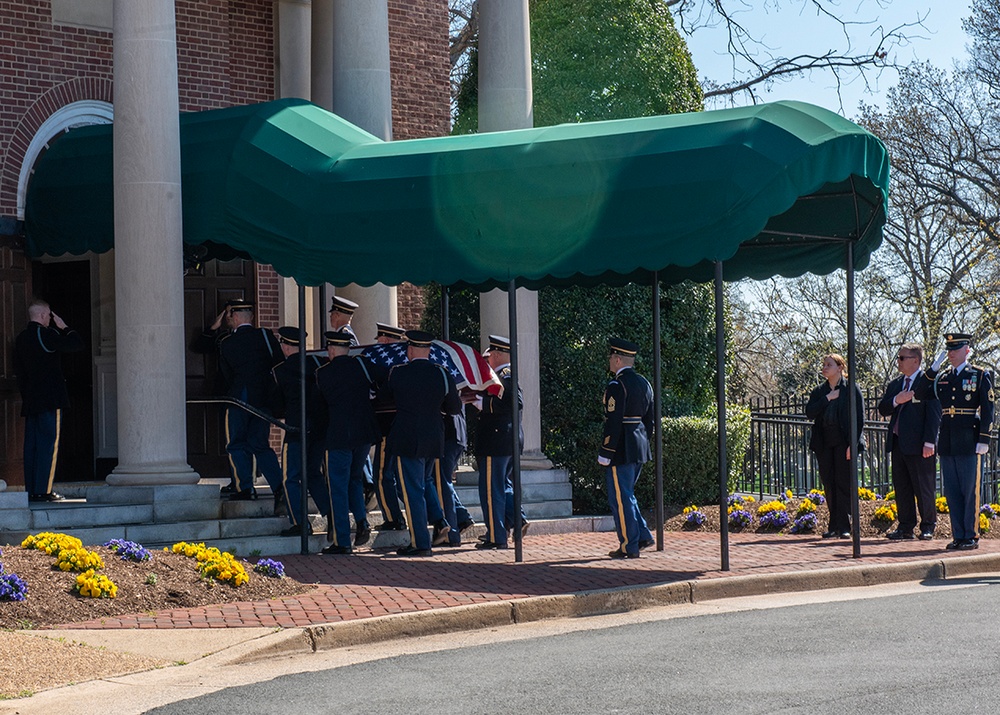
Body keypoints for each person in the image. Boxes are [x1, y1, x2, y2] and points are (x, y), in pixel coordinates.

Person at [386, 330, 460, 556]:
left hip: (407, 438)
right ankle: (436, 523)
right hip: (433, 438)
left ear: (409, 350)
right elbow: (454, 408)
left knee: (412, 491)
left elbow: (384, 400)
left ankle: (420, 543)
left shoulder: (398, 373)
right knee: (423, 483)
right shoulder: (442, 373)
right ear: (429, 351)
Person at [925, 332, 995, 550]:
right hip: (947, 440)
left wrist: (984, 438)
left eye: (955, 349)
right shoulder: (943, 376)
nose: (951, 354)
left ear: (966, 350)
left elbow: (988, 408)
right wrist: (933, 369)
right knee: (952, 491)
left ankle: (970, 536)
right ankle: (958, 535)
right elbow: (921, 392)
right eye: (949, 350)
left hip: (968, 440)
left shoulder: (979, 375)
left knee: (969, 490)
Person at [315, 330, 380, 555]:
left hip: (339, 435)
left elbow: (320, 405)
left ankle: (342, 540)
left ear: (331, 350)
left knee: (338, 487)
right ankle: (361, 521)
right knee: (354, 480)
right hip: (363, 433)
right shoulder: (361, 366)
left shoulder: (323, 373)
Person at [14, 299, 83, 502]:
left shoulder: (21, 338)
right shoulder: (47, 334)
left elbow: (20, 372)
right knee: (47, 445)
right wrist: (65, 327)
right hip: (50, 399)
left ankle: (31, 490)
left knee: (32, 447)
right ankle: (43, 490)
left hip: (31, 399)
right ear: (44, 316)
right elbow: (76, 344)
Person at [216, 299, 285, 502]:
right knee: (259, 443)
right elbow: (278, 363)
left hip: (238, 398)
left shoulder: (227, 342)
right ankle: (280, 487)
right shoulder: (265, 335)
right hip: (263, 399)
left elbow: (225, 373)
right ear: (251, 317)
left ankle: (245, 488)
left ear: (235, 317)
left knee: (236, 444)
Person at [271, 326, 332, 538]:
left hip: (296, 429)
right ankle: (332, 516)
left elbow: (277, 403)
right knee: (314, 473)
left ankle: (299, 522)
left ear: (286, 347)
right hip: (319, 428)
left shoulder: (280, 370)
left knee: (290, 478)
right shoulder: (316, 364)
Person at [877, 343, 941, 541]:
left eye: (902, 358)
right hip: (898, 443)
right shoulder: (896, 384)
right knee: (902, 487)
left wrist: (930, 441)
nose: (899, 361)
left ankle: (928, 525)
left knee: (923, 487)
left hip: (920, 445)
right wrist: (897, 399)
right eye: (898, 357)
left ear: (915, 360)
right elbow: (883, 408)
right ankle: (905, 527)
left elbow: (934, 414)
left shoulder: (928, 382)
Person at [598, 338, 655, 559]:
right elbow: (650, 420)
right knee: (627, 494)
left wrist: (606, 451)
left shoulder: (616, 385)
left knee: (620, 498)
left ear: (618, 358)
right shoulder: (644, 383)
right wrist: (642, 441)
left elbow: (613, 421)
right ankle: (641, 534)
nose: (610, 361)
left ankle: (628, 545)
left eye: (612, 357)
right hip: (638, 444)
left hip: (621, 447)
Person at [805, 353, 866, 539]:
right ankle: (833, 526)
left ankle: (845, 526)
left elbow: (859, 419)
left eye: (828, 364)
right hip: (824, 443)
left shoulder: (851, 389)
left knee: (843, 484)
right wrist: (828, 398)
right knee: (829, 485)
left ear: (840, 368)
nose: (824, 368)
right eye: (823, 364)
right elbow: (810, 412)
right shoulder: (819, 391)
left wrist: (853, 444)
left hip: (843, 443)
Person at [473, 335, 524, 550]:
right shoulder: (505, 374)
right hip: (505, 438)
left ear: (496, 354)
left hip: (497, 439)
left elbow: (515, 402)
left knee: (492, 489)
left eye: (490, 355)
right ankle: (516, 520)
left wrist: (481, 403)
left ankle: (496, 536)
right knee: (503, 485)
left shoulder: (504, 374)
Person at [370, 322, 408, 532]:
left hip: (387, 426)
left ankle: (394, 518)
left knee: (383, 475)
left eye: (381, 340)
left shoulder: (387, 365)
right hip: (401, 427)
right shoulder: (404, 363)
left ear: (385, 341)